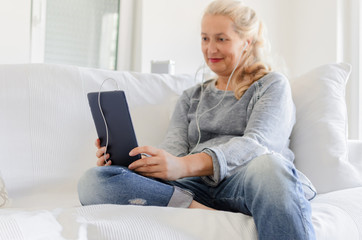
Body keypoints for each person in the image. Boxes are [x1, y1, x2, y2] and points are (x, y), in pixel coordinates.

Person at [78, 0, 316, 239]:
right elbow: (174, 151)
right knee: (94, 181)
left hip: (246, 182)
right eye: (205, 38)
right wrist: (135, 164)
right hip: (192, 188)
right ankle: (200, 211)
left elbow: (258, 145)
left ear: (247, 42)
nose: (210, 49)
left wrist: (184, 165)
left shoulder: (271, 85)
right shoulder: (191, 96)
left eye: (221, 39)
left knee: (270, 167)